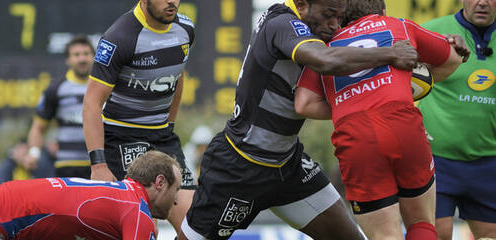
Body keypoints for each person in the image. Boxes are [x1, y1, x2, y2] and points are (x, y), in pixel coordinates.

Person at [179, 0, 420, 239]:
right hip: (240, 165)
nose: (335, 25)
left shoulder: (311, 27)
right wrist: (391, 53)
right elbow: (326, 60)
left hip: (289, 167)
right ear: (302, 5)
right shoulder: (282, 23)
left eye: (339, 17)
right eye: (329, 15)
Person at [293, 0, 465, 238]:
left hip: (355, 133)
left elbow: (304, 104)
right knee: (422, 224)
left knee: (385, 236)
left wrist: (350, 103)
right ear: (382, 12)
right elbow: (454, 58)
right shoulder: (398, 25)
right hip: (403, 122)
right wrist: (405, 84)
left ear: (341, 17)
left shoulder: (326, 48)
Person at [416, 0, 496, 239]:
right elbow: (397, 76)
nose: (482, 2)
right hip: (433, 159)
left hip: (485, 161)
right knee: (437, 235)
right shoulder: (430, 31)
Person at [82, 0, 196, 237]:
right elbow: (92, 103)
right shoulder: (119, 37)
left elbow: (177, 76)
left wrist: (169, 125)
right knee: (143, 227)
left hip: (163, 137)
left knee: (196, 227)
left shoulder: (186, 29)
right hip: (121, 138)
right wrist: (99, 165)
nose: (172, 1)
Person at [0, 151, 181, 240]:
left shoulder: (123, 193)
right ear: (160, 182)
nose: (176, 200)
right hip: (3, 220)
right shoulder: (137, 210)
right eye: (176, 189)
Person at [25, 35, 94, 179]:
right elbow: (38, 127)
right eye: (76, 55)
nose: (82, 59)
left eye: (86, 54)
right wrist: (34, 154)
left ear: (93, 57)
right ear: (68, 60)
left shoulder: (105, 87)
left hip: (99, 164)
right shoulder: (55, 89)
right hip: (67, 165)